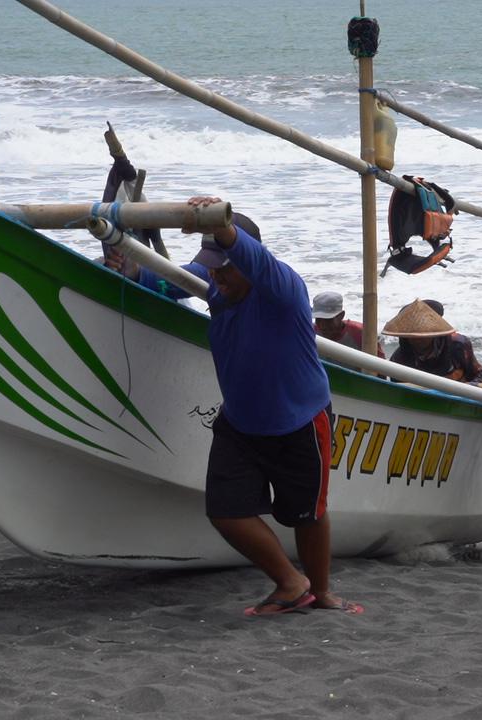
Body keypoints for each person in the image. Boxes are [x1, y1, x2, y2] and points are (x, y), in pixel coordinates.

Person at [111, 196, 360, 616]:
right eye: (211, 265)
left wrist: (219, 224)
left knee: (307, 515)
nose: (216, 274)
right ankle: (291, 584)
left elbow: (250, 256)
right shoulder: (215, 284)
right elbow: (170, 279)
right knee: (226, 512)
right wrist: (132, 267)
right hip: (241, 423)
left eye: (225, 265)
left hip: (300, 420)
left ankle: (322, 592)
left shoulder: (282, 289)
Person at [385, 299, 482, 383]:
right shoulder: (398, 359)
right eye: (412, 335)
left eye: (423, 335)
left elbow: (478, 375)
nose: (417, 339)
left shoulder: (458, 344)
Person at [312, 291, 385, 357]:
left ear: (341, 315)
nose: (322, 326)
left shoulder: (361, 334)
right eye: (318, 319)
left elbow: (382, 366)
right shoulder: (311, 332)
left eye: (328, 320)